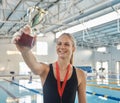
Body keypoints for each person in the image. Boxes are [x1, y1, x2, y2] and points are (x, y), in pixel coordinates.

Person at [13, 26, 86, 103]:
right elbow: (34, 66)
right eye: (59, 43)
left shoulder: (80, 74)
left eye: (67, 44)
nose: (62, 47)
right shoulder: (46, 70)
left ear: (73, 49)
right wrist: (25, 51)